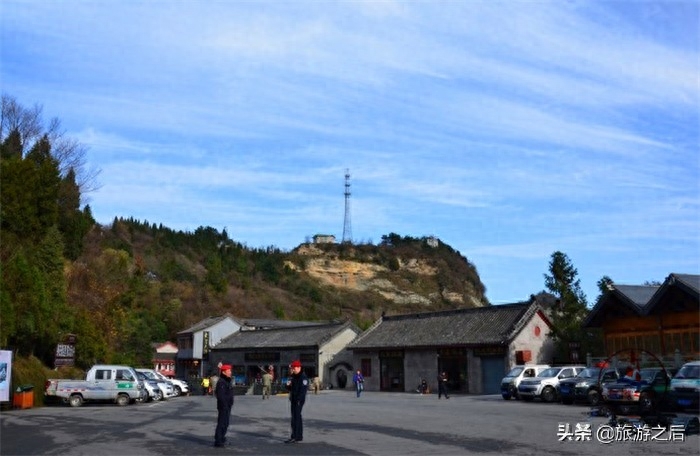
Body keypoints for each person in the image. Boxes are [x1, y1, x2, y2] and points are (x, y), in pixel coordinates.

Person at [285, 360, 308, 444]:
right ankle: (297, 436)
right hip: (293, 399)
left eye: (294, 368)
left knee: (296, 418)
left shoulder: (303, 377)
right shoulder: (293, 376)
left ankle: (295, 436)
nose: (293, 370)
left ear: (299, 367)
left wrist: (299, 400)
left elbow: (303, 391)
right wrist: (287, 385)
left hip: (299, 400)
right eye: (292, 368)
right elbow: (290, 389)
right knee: (295, 417)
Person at [214, 364, 234, 448]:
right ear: (224, 372)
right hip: (223, 406)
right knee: (222, 423)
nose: (230, 372)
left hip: (227, 405)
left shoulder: (227, 380)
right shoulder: (221, 382)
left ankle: (222, 438)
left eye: (230, 370)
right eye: (229, 371)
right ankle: (218, 440)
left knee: (226, 423)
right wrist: (225, 405)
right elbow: (221, 396)